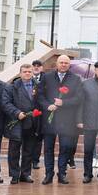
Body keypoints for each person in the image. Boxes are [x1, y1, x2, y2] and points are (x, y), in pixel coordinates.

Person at [37, 55, 83, 185]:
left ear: (69, 65)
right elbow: (40, 95)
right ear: (57, 63)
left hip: (66, 120)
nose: (63, 65)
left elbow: (79, 98)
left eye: (66, 63)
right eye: (61, 62)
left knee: (65, 147)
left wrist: (64, 102)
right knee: (48, 148)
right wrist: (47, 105)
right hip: (50, 119)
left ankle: (62, 173)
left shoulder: (75, 79)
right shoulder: (46, 77)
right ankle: (48, 174)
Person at [2, 64, 40, 184]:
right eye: (25, 72)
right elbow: (5, 103)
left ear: (33, 72)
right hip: (17, 122)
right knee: (14, 150)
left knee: (28, 151)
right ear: (20, 73)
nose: (27, 73)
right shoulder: (11, 87)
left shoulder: (38, 86)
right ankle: (14, 174)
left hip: (32, 123)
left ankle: (25, 174)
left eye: (29, 71)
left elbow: (41, 101)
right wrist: (17, 112)